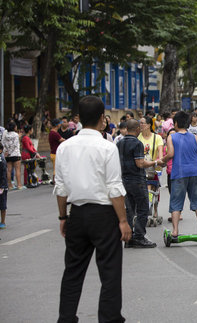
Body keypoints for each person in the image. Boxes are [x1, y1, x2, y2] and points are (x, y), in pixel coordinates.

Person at [55, 95, 132, 322]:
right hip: (104, 215)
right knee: (109, 272)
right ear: (102, 119)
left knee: (73, 271)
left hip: (76, 213)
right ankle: (109, 318)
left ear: (78, 118)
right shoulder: (107, 147)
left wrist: (63, 217)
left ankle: (66, 318)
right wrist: (123, 221)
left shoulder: (64, 148)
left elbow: (61, 188)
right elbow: (114, 188)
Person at [161, 111, 197, 238]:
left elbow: (170, 153)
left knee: (176, 202)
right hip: (195, 172)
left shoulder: (172, 137)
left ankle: (175, 231)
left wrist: (162, 161)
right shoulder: (194, 137)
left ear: (176, 123)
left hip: (179, 174)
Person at [117, 119, 163, 248]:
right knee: (143, 209)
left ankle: (129, 237)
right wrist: (155, 162)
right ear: (137, 129)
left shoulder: (119, 143)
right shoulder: (137, 143)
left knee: (130, 209)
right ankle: (139, 237)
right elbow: (140, 163)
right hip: (137, 179)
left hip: (124, 179)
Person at [138, 116, 163, 190]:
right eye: (140, 123)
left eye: (142, 123)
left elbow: (160, 153)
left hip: (152, 170)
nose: (140, 125)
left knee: (150, 194)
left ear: (149, 125)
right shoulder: (137, 137)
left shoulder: (157, 137)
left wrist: (160, 162)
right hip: (139, 170)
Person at [2, 122, 24, 190]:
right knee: (17, 170)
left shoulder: (5, 135)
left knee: (9, 170)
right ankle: (19, 185)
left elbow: (3, 144)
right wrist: (10, 152)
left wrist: (6, 152)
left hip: (8, 155)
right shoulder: (16, 135)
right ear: (14, 127)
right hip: (15, 154)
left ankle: (10, 185)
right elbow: (14, 145)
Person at [49, 119, 65, 184]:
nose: (60, 124)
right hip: (55, 153)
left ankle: (55, 180)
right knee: (56, 168)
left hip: (54, 153)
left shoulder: (52, 133)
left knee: (56, 168)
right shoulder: (54, 133)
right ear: (57, 125)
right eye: (59, 123)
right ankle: (55, 181)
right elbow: (62, 140)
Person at [0, 143, 8, 229]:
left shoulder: (1, 160)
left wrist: (2, 186)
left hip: (2, 186)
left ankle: (3, 221)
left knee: (2, 205)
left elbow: (3, 174)